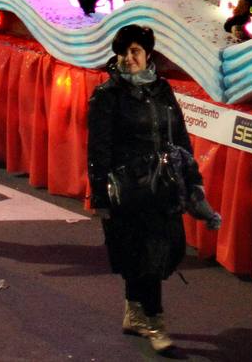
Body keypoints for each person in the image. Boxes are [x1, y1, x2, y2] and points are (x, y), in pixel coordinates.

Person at [87, 24, 220, 354]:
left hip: (162, 187)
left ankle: (134, 312)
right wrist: (100, 196)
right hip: (128, 191)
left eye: (135, 51)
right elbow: (98, 150)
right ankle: (155, 323)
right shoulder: (107, 96)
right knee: (142, 255)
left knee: (163, 251)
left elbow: (180, 136)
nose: (128, 58)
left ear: (148, 55)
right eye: (123, 52)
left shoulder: (162, 90)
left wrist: (192, 179)